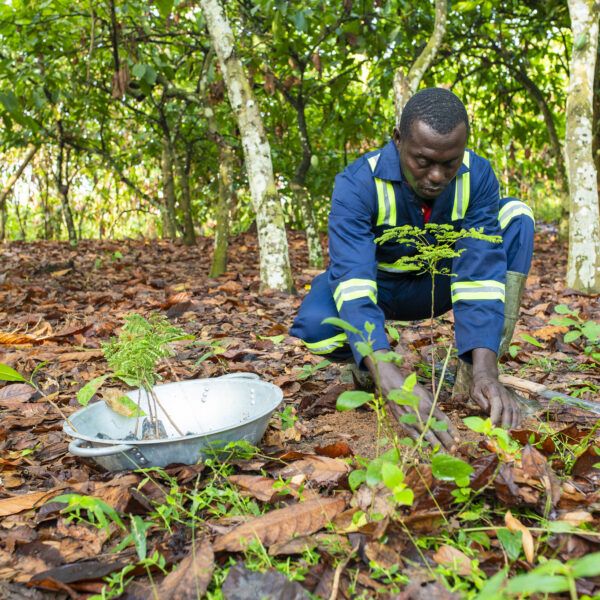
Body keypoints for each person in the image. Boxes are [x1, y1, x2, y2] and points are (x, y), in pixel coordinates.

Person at [290, 87, 535, 450]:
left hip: (441, 284)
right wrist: (388, 372)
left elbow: (479, 273)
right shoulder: (357, 184)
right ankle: (370, 364)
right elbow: (354, 282)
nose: (436, 176)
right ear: (398, 140)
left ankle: (476, 373)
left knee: (516, 215)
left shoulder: (478, 176)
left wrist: (487, 368)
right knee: (317, 326)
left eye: (449, 163)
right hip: (381, 290)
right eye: (423, 161)